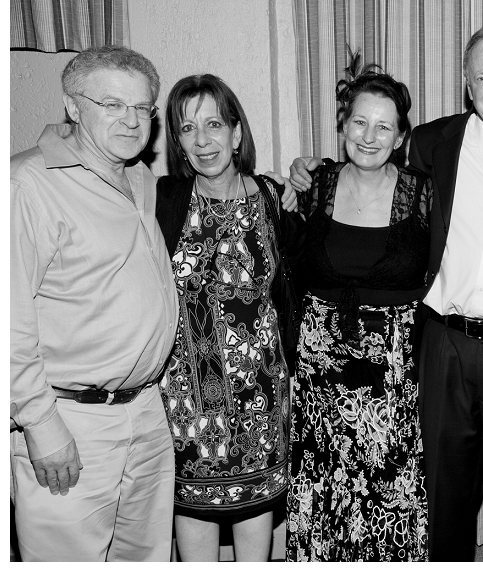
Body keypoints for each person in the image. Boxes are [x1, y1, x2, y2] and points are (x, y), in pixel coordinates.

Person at [291, 26, 483, 562]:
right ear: (466, 83)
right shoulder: (432, 144)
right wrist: (311, 171)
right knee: (440, 507)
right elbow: (371, 167)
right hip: (443, 348)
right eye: (482, 77)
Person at [10, 45, 179, 561]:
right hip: (71, 420)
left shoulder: (140, 179)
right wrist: (40, 424)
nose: (131, 120)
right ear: (72, 106)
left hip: (146, 413)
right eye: (112, 105)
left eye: (142, 108)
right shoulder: (27, 184)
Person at [285, 56, 430, 562]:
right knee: (324, 487)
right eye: (359, 122)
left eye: (383, 126)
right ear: (343, 125)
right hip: (319, 376)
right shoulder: (313, 187)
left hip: (393, 376)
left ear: (400, 136)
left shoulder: (424, 193)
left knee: (388, 493)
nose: (369, 136)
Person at [154, 74, 303, 561]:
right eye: (187, 128)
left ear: (237, 133)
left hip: (260, 394)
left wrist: (304, 178)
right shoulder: (163, 200)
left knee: (256, 513)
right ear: (177, 142)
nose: (202, 140)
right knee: (192, 510)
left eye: (214, 124)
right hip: (184, 399)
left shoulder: (273, 198)